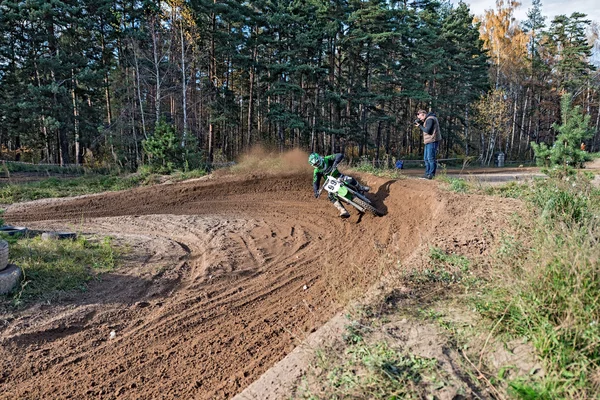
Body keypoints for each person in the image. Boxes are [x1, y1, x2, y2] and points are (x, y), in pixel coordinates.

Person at [309, 152, 370, 218]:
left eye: (317, 162)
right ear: (313, 165)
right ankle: (343, 210)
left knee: (350, 179)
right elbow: (315, 182)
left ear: (319, 158)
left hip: (338, 176)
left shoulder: (327, 159)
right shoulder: (317, 171)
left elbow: (340, 155)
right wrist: (316, 191)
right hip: (330, 182)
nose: (317, 164)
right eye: (315, 164)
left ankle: (361, 187)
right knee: (330, 196)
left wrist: (335, 162)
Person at [415, 109, 442, 179]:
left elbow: (428, 131)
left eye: (420, 117)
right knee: (426, 158)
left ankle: (431, 174)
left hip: (432, 141)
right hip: (428, 141)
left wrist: (420, 125)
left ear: (423, 114)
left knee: (431, 158)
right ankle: (427, 174)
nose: (419, 118)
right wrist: (421, 123)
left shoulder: (430, 119)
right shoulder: (428, 119)